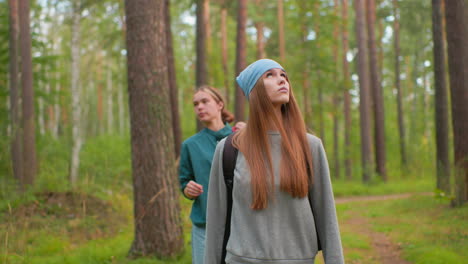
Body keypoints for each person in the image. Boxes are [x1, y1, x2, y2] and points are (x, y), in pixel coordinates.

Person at [204, 59, 344, 264]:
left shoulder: (310, 146)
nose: (281, 80)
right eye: (269, 75)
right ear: (254, 90)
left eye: (283, 75)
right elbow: (216, 220)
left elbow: (327, 217)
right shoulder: (228, 149)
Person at [179, 86, 245, 264]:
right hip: (204, 226)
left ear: (219, 105)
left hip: (240, 225)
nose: (199, 107)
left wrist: (251, 134)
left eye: (204, 101)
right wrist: (187, 189)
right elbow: (184, 181)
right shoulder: (190, 145)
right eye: (195, 104)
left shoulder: (241, 137)